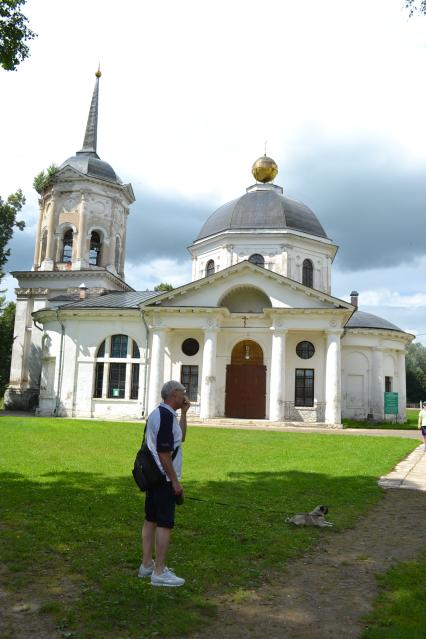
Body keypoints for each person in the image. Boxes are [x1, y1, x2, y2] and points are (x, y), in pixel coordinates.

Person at [138, 380, 190, 587]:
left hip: (154, 477)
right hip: (164, 479)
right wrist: (174, 481)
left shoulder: (159, 413)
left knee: (150, 520)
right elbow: (164, 452)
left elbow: (181, 438)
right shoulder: (166, 417)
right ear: (174, 394)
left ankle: (146, 564)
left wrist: (185, 414)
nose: (185, 395)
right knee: (164, 524)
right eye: (183, 392)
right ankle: (159, 571)